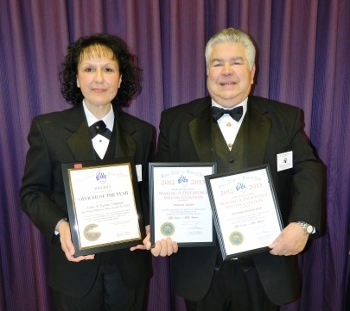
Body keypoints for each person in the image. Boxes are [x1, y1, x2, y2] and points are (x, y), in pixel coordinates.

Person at [148, 28, 323, 310]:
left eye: (236, 62)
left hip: (266, 265)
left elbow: (308, 169)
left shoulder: (285, 118)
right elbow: (160, 184)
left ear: (252, 72)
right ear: (207, 71)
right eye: (217, 64)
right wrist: (156, 228)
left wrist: (302, 225)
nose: (226, 71)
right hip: (201, 270)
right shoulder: (175, 120)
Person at [20, 34, 154, 311]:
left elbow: (146, 193)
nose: (99, 79)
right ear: (77, 78)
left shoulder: (142, 132)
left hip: (129, 270)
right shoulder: (48, 129)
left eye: (108, 69)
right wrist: (61, 227)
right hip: (74, 269)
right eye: (89, 69)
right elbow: (32, 193)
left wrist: (155, 224)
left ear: (120, 79)